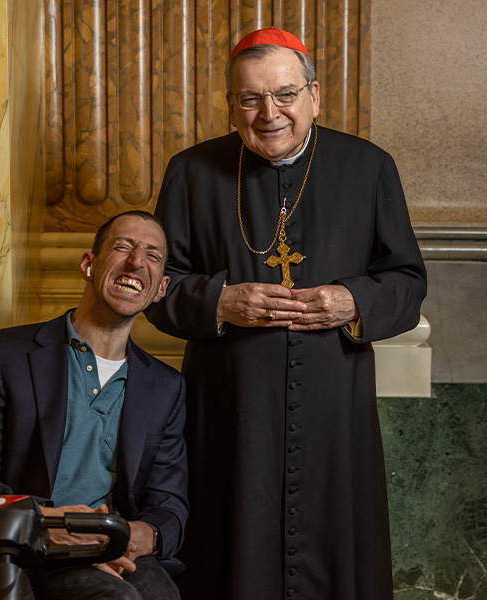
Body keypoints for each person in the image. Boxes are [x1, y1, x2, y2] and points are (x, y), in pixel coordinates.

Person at [145, 27, 427, 600]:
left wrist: (353, 300)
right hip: (230, 409)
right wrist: (219, 301)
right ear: (230, 104)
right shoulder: (191, 171)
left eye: (285, 95)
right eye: (249, 99)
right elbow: (158, 285)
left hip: (333, 409)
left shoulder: (368, 167)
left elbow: (407, 281)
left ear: (314, 96)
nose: (268, 113)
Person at [0, 211, 188, 600]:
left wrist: (139, 537)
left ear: (160, 289)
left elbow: (169, 505)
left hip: (116, 552)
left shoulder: (167, 386)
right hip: (26, 549)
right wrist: (47, 525)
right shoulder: (3, 354)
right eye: (122, 246)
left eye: (153, 256)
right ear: (89, 265)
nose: (137, 261)